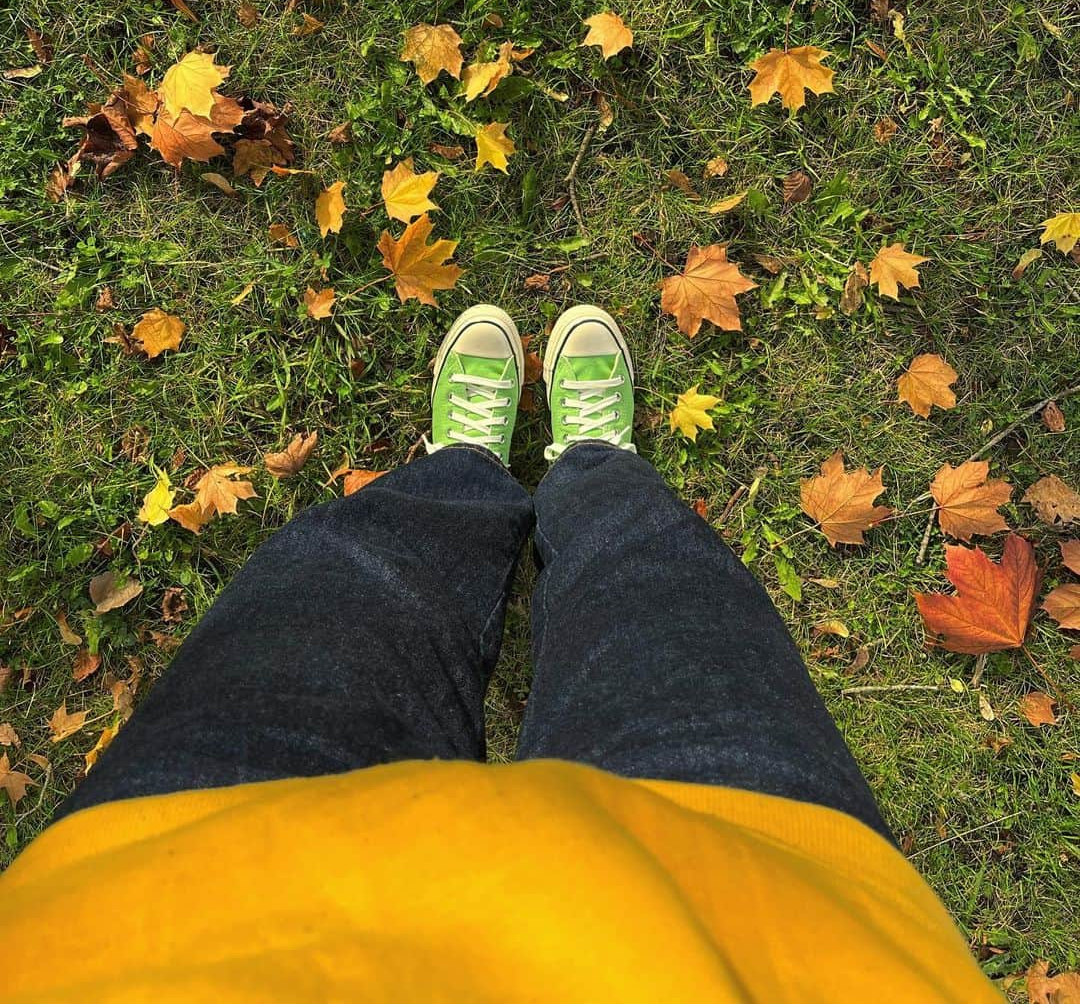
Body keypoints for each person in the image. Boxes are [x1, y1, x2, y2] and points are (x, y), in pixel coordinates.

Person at [0, 304, 998, 1000]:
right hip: (754, 926)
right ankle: (592, 469)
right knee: (650, 581)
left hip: (174, 902)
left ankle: (470, 470)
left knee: (365, 574)